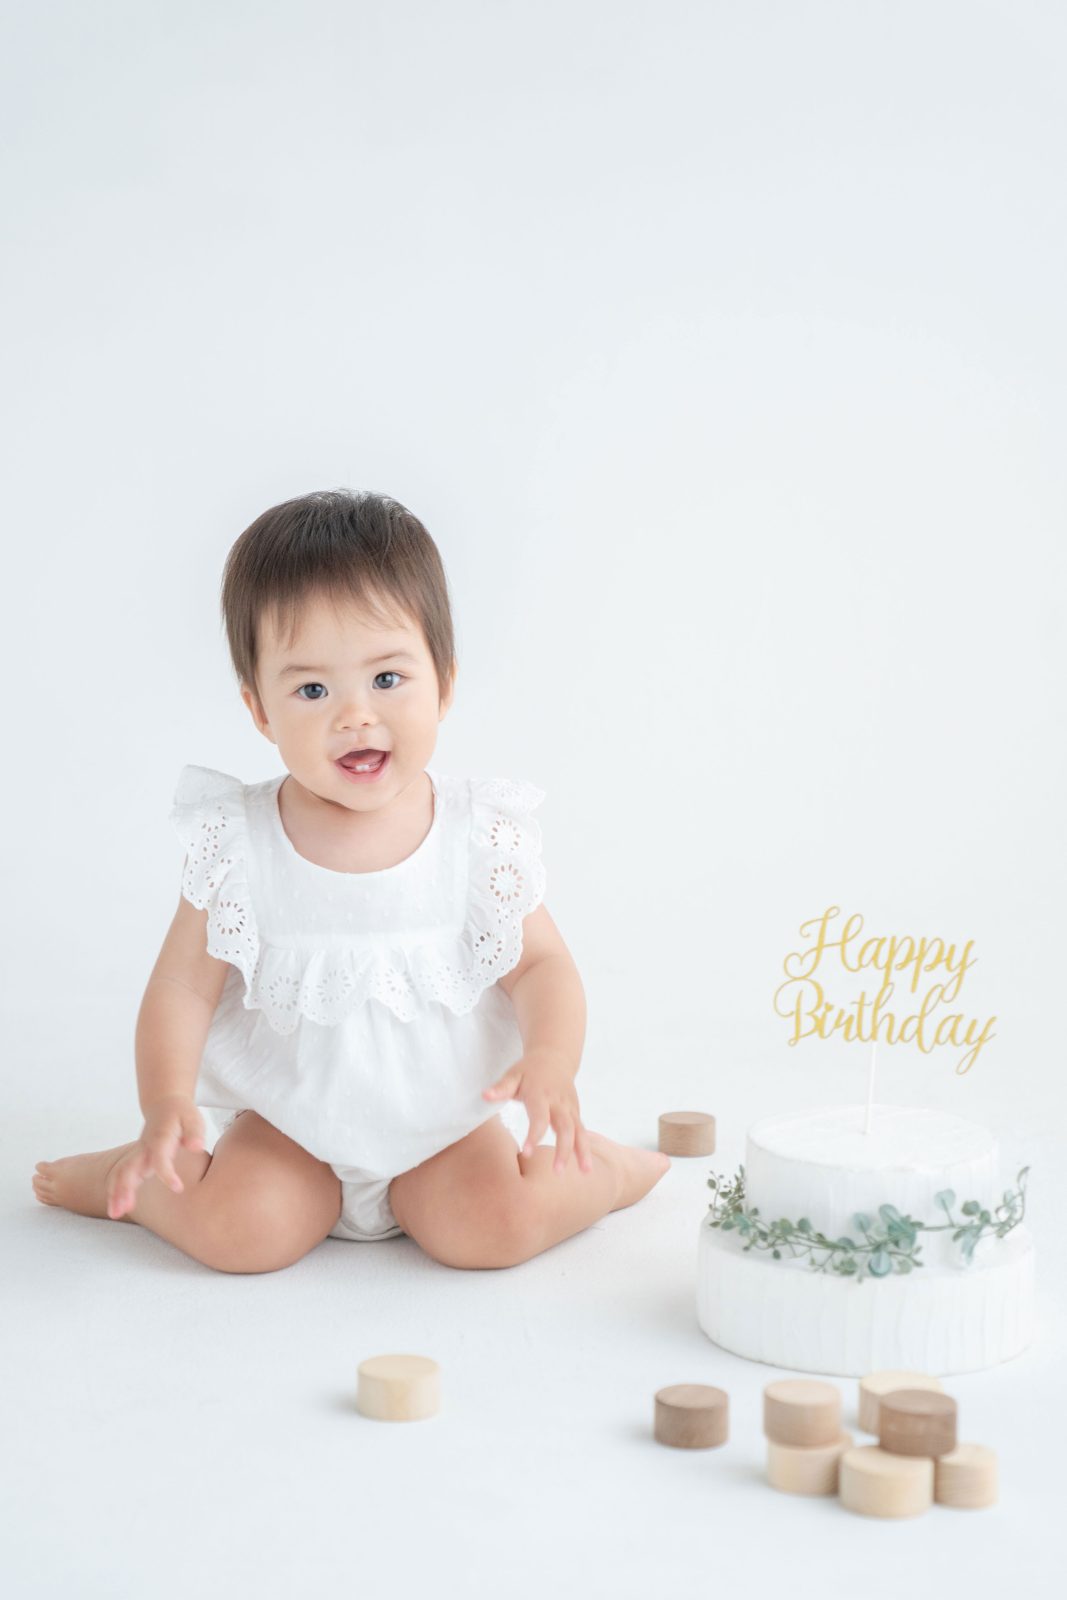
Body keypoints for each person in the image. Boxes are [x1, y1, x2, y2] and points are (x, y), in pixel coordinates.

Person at [33, 488, 670, 1272]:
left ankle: (605, 1174)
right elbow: (181, 989)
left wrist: (550, 1062)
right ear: (259, 711)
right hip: (287, 1132)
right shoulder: (240, 841)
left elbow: (541, 966)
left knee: (493, 1228)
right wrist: (164, 1102)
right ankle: (133, 1181)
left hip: (445, 1129)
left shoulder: (476, 834)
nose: (355, 716)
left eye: (387, 679)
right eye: (311, 690)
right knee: (242, 1235)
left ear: (444, 681)